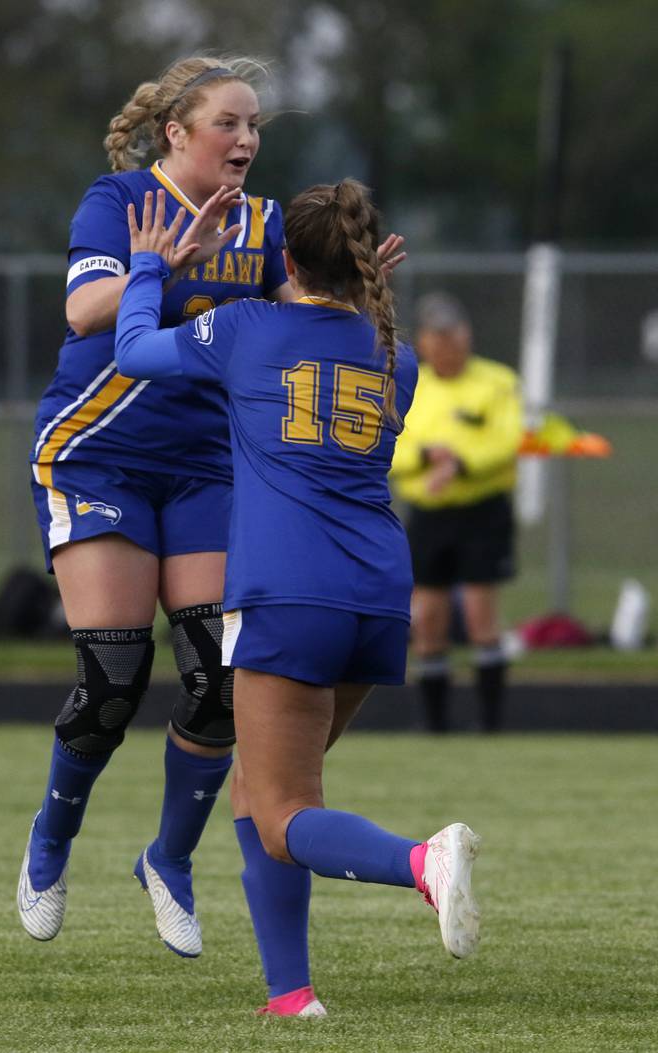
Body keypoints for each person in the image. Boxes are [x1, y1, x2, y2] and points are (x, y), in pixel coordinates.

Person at [114, 179, 481, 1016]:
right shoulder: (400, 356)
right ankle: (291, 993)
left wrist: (146, 267)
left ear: (283, 259)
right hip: (378, 593)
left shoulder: (246, 327)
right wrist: (347, 290)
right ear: (367, 266)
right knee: (259, 785)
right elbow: (329, 338)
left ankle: (421, 861)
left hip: (287, 589)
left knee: (282, 813)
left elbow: (133, 349)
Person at [17, 55, 293, 956]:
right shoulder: (121, 201)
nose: (246, 140)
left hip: (205, 465)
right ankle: (51, 842)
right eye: (229, 123)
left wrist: (358, 301)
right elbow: (88, 312)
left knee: (217, 678)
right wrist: (159, 266)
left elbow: (299, 315)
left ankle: (168, 860)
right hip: (98, 457)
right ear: (177, 133)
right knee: (115, 680)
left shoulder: (263, 221)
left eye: (254, 126)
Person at [390, 292, 523, 732]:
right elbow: (394, 445)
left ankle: (491, 724)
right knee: (427, 617)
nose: (447, 344)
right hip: (429, 513)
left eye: (453, 334)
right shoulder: (410, 381)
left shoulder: (497, 381)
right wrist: (428, 457)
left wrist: (461, 463)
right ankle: (436, 727)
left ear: (467, 336)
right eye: (437, 336)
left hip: (482, 510)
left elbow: (506, 441)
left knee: (482, 612)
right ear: (423, 342)